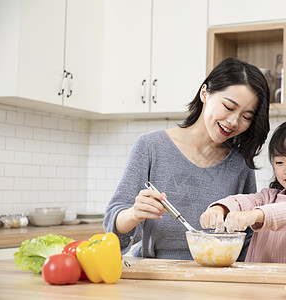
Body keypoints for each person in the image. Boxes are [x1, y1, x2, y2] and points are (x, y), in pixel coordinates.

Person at [104, 57, 270, 260]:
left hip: (217, 276)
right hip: (154, 273)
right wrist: (134, 214)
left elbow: (247, 240)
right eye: (228, 107)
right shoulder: (150, 146)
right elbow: (114, 232)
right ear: (204, 93)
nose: (234, 121)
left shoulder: (240, 164)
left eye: (246, 117)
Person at [200, 117, 286, 268]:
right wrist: (219, 209)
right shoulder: (268, 197)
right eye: (279, 162)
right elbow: (243, 201)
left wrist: (255, 215)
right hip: (256, 283)